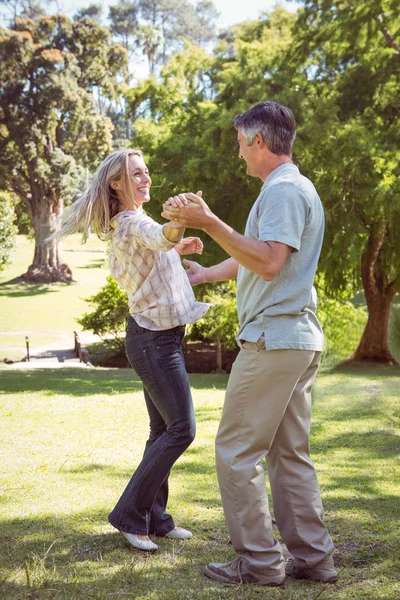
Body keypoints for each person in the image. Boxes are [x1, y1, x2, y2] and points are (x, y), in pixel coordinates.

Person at [161, 101, 337, 586]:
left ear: (259, 141)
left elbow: (269, 262)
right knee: (289, 454)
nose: (239, 155)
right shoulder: (295, 188)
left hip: (273, 340)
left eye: (241, 145)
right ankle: (313, 558)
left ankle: (260, 562)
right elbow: (255, 256)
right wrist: (206, 274)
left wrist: (209, 223)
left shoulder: (281, 191)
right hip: (296, 339)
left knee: (237, 450)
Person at [56, 148, 209, 552]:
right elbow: (156, 236)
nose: (146, 179)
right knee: (182, 429)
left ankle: (156, 518)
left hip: (161, 337)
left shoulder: (132, 225)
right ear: (116, 183)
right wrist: (176, 224)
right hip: (153, 341)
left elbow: (156, 249)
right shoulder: (129, 223)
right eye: (136, 174)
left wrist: (178, 247)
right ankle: (128, 515)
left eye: (147, 173)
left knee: (162, 430)